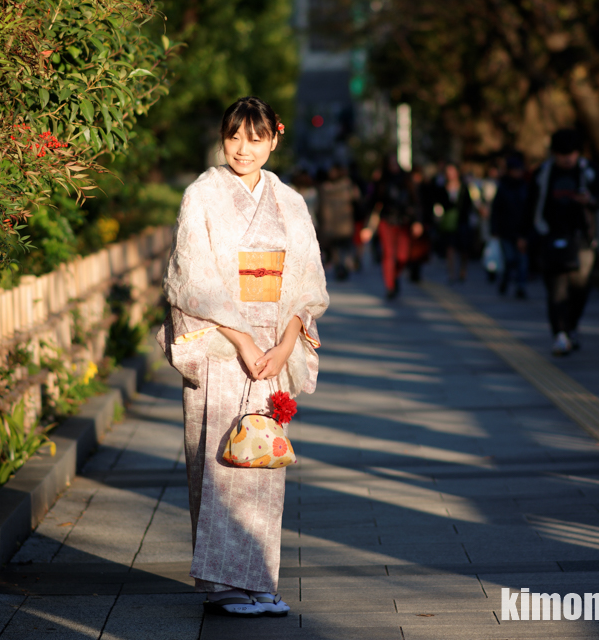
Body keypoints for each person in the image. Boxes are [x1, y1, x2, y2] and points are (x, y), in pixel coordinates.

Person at [158, 97, 329, 617]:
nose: (243, 149)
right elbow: (194, 277)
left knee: (262, 462)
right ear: (222, 137)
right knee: (218, 462)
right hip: (220, 346)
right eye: (234, 137)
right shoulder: (202, 196)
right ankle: (226, 584)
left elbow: (307, 281)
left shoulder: (290, 201)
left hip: (273, 349)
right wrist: (244, 340)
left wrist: (285, 342)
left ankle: (259, 581)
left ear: (274, 139)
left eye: (255, 138)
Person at [530, 129, 599, 355]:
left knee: (580, 287)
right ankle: (560, 334)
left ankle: (571, 326)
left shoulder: (588, 172)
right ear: (554, 153)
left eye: (571, 153)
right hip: (550, 236)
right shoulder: (543, 174)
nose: (567, 158)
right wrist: (526, 236)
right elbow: (530, 206)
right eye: (562, 154)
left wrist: (589, 201)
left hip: (582, 238)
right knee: (556, 289)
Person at [359, 154, 424, 299]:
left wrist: (417, 221)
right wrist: (368, 227)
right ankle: (389, 286)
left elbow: (416, 202)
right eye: (390, 163)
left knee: (402, 256)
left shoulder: (407, 180)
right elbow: (373, 204)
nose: (393, 165)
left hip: (404, 222)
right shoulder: (382, 181)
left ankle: (394, 276)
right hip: (386, 221)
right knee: (388, 254)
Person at [489, 152, 531, 297]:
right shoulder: (503, 187)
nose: (517, 173)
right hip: (506, 231)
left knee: (522, 260)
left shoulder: (526, 187)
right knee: (510, 259)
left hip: (523, 231)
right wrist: (494, 229)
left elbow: (530, 210)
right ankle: (506, 280)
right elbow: (496, 210)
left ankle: (521, 286)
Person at [431, 163, 474, 283]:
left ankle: (463, 271)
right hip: (449, 222)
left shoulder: (464, 187)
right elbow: (438, 204)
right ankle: (451, 273)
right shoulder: (442, 188)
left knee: (464, 249)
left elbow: (470, 204)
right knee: (450, 247)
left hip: (462, 220)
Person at [318, 166, 358, 280]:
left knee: (336, 248)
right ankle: (343, 266)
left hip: (332, 224)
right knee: (343, 248)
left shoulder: (324, 189)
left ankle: (340, 267)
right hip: (343, 223)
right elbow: (357, 199)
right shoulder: (347, 187)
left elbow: (320, 208)